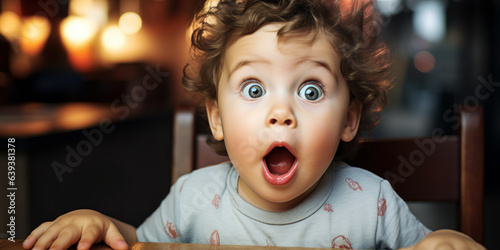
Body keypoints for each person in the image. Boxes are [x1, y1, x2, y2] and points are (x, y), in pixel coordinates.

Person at [23, 0, 485, 249]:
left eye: (309, 91)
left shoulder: (374, 204)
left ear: (348, 119)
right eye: (254, 89)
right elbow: (140, 244)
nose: (280, 114)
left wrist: (445, 240)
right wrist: (99, 223)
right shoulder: (193, 198)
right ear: (217, 118)